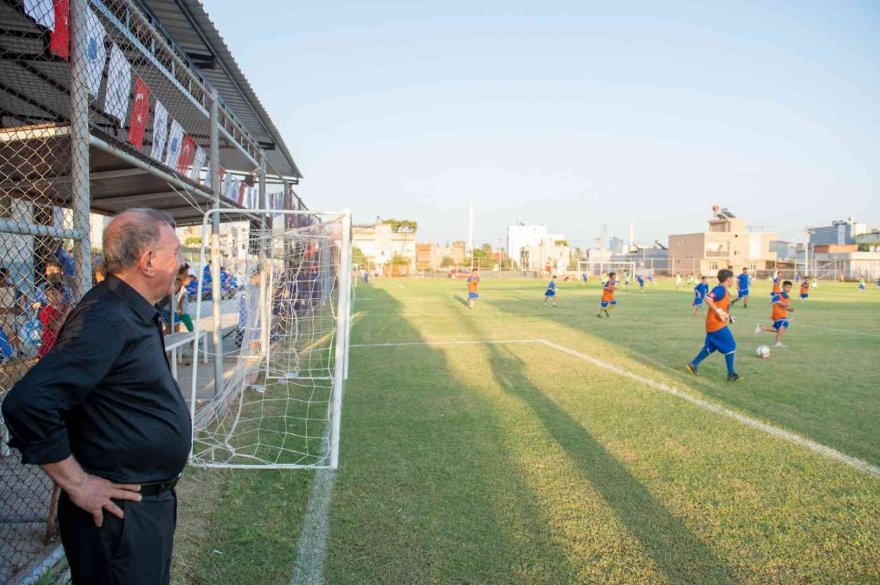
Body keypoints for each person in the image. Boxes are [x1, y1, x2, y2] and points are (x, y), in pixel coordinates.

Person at [1, 208, 190, 585]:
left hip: (140, 511)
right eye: (176, 252)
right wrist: (78, 483)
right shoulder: (106, 318)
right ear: (148, 261)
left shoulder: (131, 311)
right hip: (118, 516)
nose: (181, 262)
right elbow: (28, 403)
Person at [686, 269, 742, 382]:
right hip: (716, 325)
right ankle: (731, 374)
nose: (733, 281)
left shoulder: (724, 290)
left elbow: (721, 307)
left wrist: (728, 317)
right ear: (728, 279)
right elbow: (707, 298)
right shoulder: (720, 289)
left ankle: (693, 365)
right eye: (732, 278)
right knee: (731, 346)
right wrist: (718, 311)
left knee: (710, 347)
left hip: (713, 324)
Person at [755, 280, 795, 347]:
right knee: (785, 323)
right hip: (777, 314)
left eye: (790, 287)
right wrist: (783, 304)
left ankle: (762, 328)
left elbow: (784, 307)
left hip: (782, 314)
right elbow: (773, 301)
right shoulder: (778, 295)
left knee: (777, 329)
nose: (788, 289)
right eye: (787, 287)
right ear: (783, 287)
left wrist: (789, 309)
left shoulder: (788, 298)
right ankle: (777, 343)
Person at [37, 282, 68, 359]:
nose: (50, 297)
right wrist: (67, 311)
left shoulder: (65, 307)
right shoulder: (45, 311)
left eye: (54, 294)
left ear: (62, 294)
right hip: (49, 347)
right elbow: (57, 327)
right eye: (47, 295)